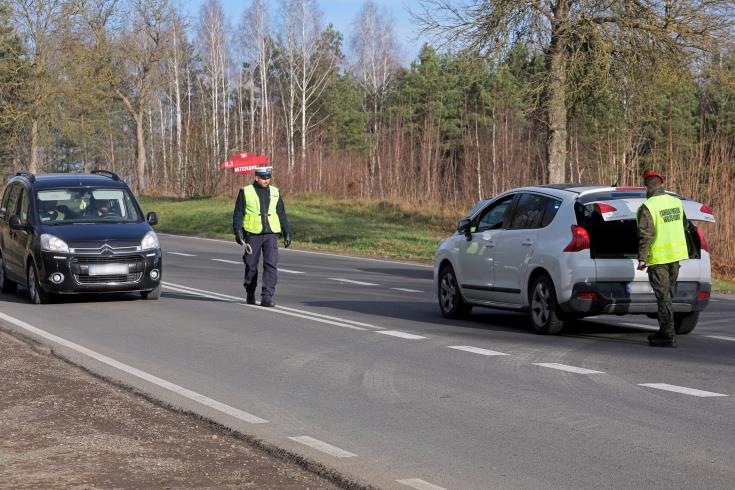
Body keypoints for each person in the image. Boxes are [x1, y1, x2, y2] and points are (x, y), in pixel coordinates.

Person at [636, 171, 690, 347]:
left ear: (647, 187)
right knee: (667, 295)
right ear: (661, 184)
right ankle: (664, 330)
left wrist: (642, 258)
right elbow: (686, 225)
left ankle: (667, 335)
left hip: (659, 258)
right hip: (676, 256)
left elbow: (646, 234)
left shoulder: (648, 206)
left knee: (663, 296)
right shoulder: (676, 202)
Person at [232, 166, 291, 307]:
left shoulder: (275, 192)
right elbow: (238, 213)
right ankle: (250, 292)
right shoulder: (245, 192)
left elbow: (281, 214)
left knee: (271, 265)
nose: (266, 180)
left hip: (271, 234)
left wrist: (287, 232)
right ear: (256, 177)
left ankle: (267, 297)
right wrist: (238, 231)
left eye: (268, 177)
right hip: (253, 234)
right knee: (251, 265)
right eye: (263, 178)